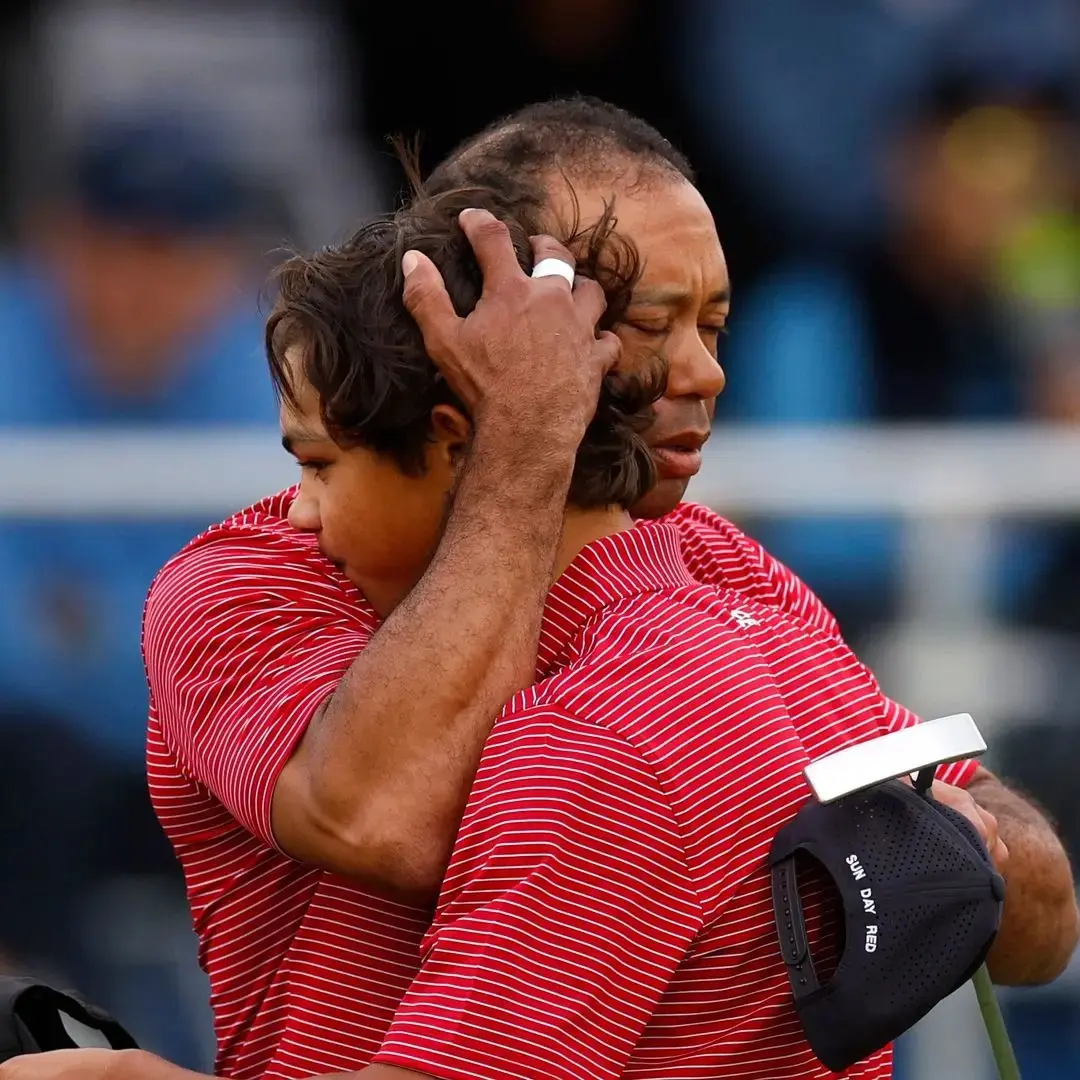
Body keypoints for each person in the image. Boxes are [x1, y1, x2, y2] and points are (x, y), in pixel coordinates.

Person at [2, 98, 1074, 1080]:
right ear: (490, 332)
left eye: (713, 324)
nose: (706, 371)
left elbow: (1040, 918)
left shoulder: (706, 612)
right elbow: (383, 813)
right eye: (649, 323)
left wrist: (968, 846)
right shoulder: (251, 577)